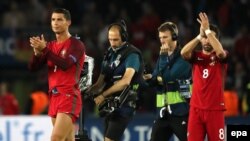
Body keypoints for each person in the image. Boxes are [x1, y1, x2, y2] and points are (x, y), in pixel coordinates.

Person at [28, 8, 85, 141]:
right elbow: (32, 68)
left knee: (56, 138)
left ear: (68, 22)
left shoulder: (76, 45)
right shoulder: (50, 46)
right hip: (54, 97)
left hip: (69, 95)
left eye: (60, 19)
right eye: (53, 19)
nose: (55, 22)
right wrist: (37, 54)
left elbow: (65, 64)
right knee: (67, 139)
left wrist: (45, 50)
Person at [86, 20, 144, 141]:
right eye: (110, 39)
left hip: (124, 104)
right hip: (109, 105)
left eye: (116, 39)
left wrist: (103, 95)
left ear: (124, 36)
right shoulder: (109, 54)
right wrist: (88, 90)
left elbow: (126, 81)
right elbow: (100, 82)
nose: (112, 43)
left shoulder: (132, 54)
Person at [181, 12, 228, 141]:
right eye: (205, 38)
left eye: (211, 37)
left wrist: (207, 31)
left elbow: (220, 52)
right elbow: (183, 52)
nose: (207, 40)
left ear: (217, 39)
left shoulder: (221, 56)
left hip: (215, 110)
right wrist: (199, 36)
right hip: (196, 109)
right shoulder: (196, 56)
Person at [144, 22, 192, 141]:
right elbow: (157, 78)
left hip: (181, 111)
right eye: (160, 37)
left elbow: (167, 77)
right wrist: (150, 79)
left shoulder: (184, 56)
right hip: (162, 113)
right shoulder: (162, 56)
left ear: (174, 36)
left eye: (165, 37)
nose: (162, 40)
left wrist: (159, 75)